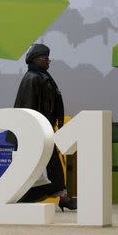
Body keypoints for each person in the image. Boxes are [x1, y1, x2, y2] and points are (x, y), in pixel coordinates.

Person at [9, 43, 77, 211]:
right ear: (36, 60)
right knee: (44, 170)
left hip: (44, 129)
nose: (48, 62)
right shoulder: (32, 78)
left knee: (53, 167)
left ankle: (63, 197)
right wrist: (33, 132)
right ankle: (24, 199)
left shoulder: (42, 76)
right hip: (35, 131)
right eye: (46, 59)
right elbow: (28, 108)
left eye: (48, 58)